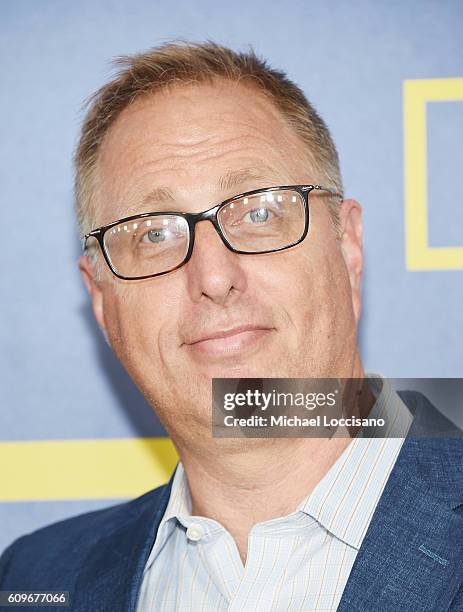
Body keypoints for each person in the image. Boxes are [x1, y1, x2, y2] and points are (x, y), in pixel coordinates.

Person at [0, 41, 461, 612]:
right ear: (101, 298)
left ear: (348, 248)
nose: (214, 276)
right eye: (153, 233)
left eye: (260, 212)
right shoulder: (34, 579)